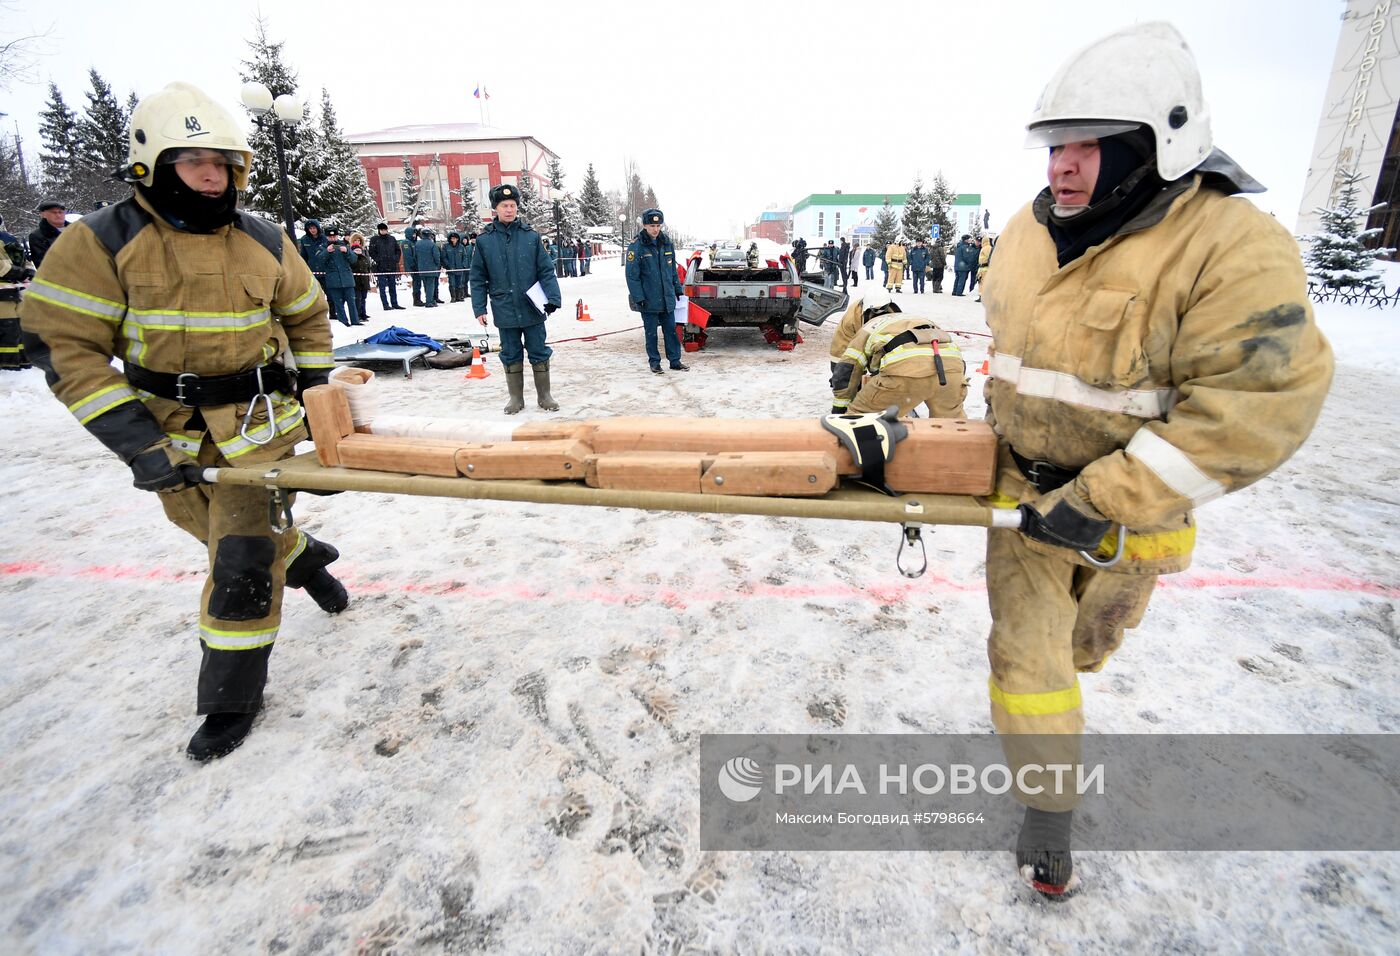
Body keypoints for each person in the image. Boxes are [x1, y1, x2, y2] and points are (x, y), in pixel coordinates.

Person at [980, 22, 1333, 896]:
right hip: (1024, 502)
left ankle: (1066, 700)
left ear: (1156, 143)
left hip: (1130, 519)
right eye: (1054, 147)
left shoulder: (1228, 244)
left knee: (1088, 648)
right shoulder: (1026, 234)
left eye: (1085, 147)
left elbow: (1258, 408)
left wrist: (1105, 495)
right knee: (1030, 663)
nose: (1060, 168)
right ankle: (1049, 815)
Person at [19, 81, 350, 761]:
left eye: (224, 161)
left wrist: (318, 399)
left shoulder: (262, 238)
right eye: (194, 160)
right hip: (170, 436)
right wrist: (136, 443)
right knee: (231, 536)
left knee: (239, 557)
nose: (212, 174)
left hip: (262, 429)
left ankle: (230, 698)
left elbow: (309, 314)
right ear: (151, 165)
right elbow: (62, 345)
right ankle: (305, 556)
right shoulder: (100, 242)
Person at [470, 183, 562, 412]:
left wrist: (552, 298)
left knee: (539, 351)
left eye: (512, 205)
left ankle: (545, 396)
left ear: (517, 208)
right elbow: (478, 278)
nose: (509, 210)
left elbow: (546, 270)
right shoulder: (484, 241)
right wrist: (479, 308)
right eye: (504, 205)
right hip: (504, 308)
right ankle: (516, 399)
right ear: (496, 209)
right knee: (510, 353)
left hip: (532, 307)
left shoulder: (530, 237)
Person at [626, 208, 688, 375]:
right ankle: (655, 362)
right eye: (652, 225)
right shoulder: (637, 245)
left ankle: (675, 361)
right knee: (651, 333)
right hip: (648, 299)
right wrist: (638, 297)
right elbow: (632, 275)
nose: (655, 229)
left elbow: (672, 271)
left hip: (667, 298)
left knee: (671, 331)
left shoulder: (667, 243)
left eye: (658, 225)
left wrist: (677, 290)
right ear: (645, 225)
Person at [0, 230, 32, 370]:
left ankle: (22, 360)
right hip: (3, 292)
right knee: (7, 327)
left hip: (14, 290)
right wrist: (19, 272)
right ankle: (8, 364)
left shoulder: (8, 237)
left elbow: (24, 256)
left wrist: (29, 270)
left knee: (19, 326)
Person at [317, 226, 361, 325]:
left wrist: (346, 252)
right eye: (330, 237)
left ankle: (355, 321)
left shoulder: (344, 245)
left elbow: (354, 259)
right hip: (333, 281)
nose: (333, 239)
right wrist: (327, 252)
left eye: (334, 236)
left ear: (337, 236)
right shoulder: (322, 247)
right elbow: (319, 261)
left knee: (352, 302)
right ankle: (343, 322)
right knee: (338, 303)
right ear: (326, 237)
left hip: (347, 279)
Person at [369, 221, 404, 311]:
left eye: (385, 230)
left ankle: (394, 303)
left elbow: (397, 250)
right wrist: (378, 259)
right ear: (379, 230)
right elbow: (371, 252)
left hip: (391, 266)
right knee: (382, 287)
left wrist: (395, 259)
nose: (384, 231)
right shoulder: (375, 239)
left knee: (392, 286)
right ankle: (385, 304)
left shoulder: (392, 239)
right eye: (382, 230)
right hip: (381, 267)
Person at [28, 200, 67, 268]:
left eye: (60, 212)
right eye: (54, 212)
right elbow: (44, 264)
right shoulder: (37, 236)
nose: (58, 215)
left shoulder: (75, 230)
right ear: (43, 215)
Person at [414, 227, 441, 307]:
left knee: (426, 284)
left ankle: (430, 299)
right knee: (430, 285)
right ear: (429, 235)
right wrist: (437, 264)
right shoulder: (432, 244)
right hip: (431, 268)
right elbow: (436, 256)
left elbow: (415, 256)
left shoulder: (417, 244)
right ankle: (429, 301)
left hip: (421, 268)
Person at [348, 232, 373, 321]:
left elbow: (367, 263)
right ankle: (357, 314)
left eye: (359, 240)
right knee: (357, 298)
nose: (357, 242)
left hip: (364, 277)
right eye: (355, 240)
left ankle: (363, 313)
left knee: (363, 297)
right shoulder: (350, 251)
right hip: (355, 278)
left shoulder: (364, 250)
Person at [442, 231, 470, 302]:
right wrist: (448, 265)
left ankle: (459, 296)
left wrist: (463, 265)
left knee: (459, 283)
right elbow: (444, 257)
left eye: (455, 238)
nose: (453, 240)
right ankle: (453, 297)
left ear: (457, 239)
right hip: (451, 269)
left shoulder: (461, 247)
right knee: (452, 284)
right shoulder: (446, 247)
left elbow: (465, 257)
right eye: (452, 238)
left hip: (459, 269)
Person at [401, 224, 421, 307]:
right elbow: (408, 256)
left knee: (418, 282)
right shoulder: (406, 243)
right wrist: (413, 265)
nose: (414, 235)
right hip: (413, 267)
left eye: (415, 234)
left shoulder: (415, 242)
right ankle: (416, 300)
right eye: (413, 233)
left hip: (417, 266)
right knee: (416, 282)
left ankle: (418, 299)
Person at [975, 234, 996, 302]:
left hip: (984, 268)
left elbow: (989, 257)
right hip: (982, 268)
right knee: (981, 283)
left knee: (983, 283)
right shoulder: (986, 247)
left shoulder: (986, 248)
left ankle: (983, 297)